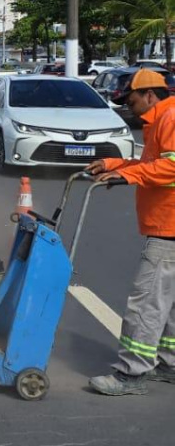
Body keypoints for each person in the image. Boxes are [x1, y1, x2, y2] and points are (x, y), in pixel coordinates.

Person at [86, 69, 175, 396]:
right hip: (169, 226)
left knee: (147, 302)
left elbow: (171, 168)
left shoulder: (171, 119)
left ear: (150, 94)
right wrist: (115, 166)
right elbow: (152, 164)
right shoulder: (161, 121)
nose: (128, 105)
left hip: (169, 227)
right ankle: (170, 363)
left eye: (132, 99)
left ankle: (132, 373)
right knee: (169, 303)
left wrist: (130, 177)